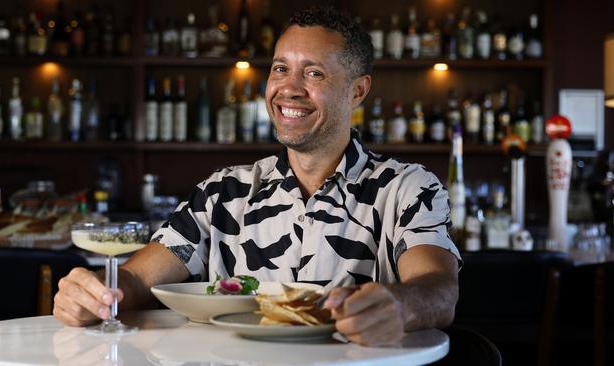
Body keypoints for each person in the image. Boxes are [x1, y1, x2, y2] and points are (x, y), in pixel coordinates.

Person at [54, 6, 461, 347]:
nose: (289, 88)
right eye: (281, 68)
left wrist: (401, 305)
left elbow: (438, 289)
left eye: (314, 74)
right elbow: (137, 279)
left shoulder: (408, 187)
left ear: (357, 91)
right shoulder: (222, 192)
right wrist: (95, 293)